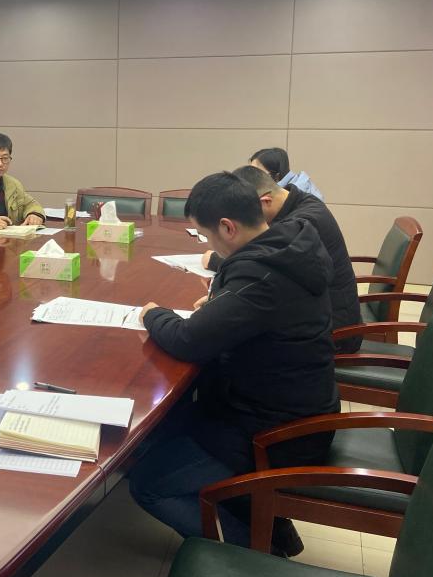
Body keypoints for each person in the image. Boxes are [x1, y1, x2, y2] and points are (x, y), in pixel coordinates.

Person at [130, 172, 339, 554]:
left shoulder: (262, 276)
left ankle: (254, 556)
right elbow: (255, 313)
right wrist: (222, 305)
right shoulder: (286, 246)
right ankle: (273, 530)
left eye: (207, 235)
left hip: (277, 436)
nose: (210, 245)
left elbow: (188, 340)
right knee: (162, 428)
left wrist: (153, 314)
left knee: (148, 483)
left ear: (228, 227)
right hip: (289, 407)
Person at [203, 165, 362, 353]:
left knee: (225, 344)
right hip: (319, 316)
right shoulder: (300, 201)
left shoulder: (300, 225)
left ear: (265, 201)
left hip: (334, 332)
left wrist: (216, 262)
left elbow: (261, 269)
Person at [249, 147, 324, 200]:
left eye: (257, 173)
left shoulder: (295, 195)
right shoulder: (297, 185)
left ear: (276, 176)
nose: (251, 177)